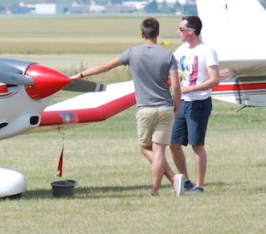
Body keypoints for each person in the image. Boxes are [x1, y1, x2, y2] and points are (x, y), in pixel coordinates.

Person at [71, 17, 182, 197]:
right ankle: (158, 189)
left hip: (145, 108)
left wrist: (81, 74)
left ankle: (170, 181)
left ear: (142, 34)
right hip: (165, 107)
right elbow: (176, 86)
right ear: (158, 34)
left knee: (146, 148)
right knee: (160, 149)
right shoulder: (167, 55)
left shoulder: (132, 53)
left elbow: (105, 66)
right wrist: (177, 106)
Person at [170, 15, 219, 194]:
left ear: (191, 32)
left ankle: (199, 185)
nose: (178, 32)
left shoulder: (207, 51)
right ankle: (186, 180)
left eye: (181, 29)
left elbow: (214, 80)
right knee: (173, 143)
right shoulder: (181, 50)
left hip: (199, 102)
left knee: (196, 144)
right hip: (180, 102)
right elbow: (169, 68)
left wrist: (190, 89)